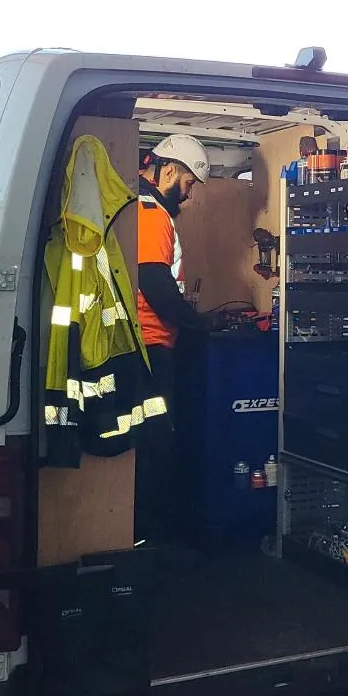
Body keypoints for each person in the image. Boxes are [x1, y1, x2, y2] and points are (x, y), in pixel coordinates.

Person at [134, 133, 214, 546]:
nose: (188, 195)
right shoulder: (150, 212)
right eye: (186, 183)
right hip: (150, 344)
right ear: (168, 171)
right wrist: (199, 323)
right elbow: (154, 281)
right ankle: (150, 535)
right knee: (156, 441)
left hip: (149, 343)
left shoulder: (142, 208)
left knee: (153, 439)